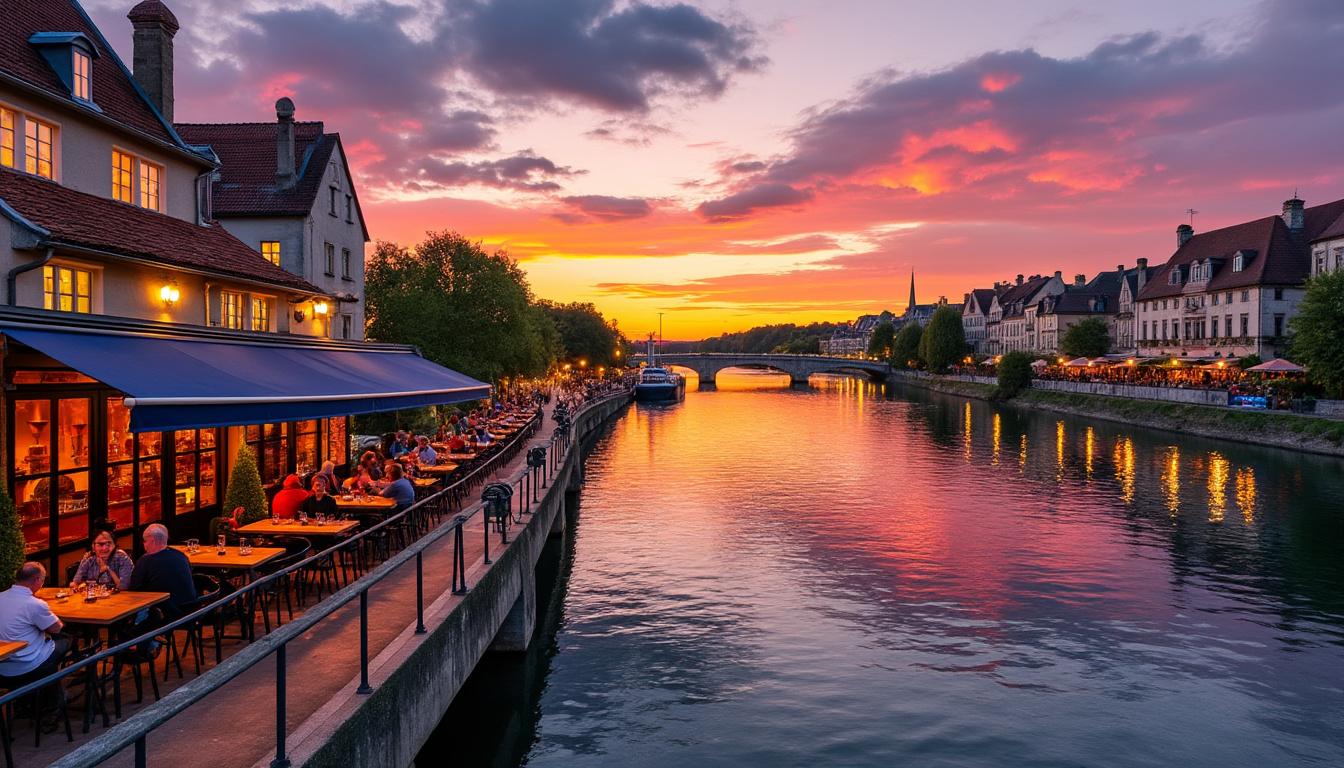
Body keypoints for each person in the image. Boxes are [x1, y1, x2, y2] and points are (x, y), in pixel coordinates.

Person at [0, 562, 66, 680]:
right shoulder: (35, 604)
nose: (42, 584)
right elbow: (56, 628)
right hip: (25, 664)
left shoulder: (1, 596)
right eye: (43, 580)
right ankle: (54, 689)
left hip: (3, 664)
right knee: (66, 639)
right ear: (36, 580)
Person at [128, 524, 197, 619]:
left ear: (152, 541)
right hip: (192, 610)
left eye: (144, 541)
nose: (144, 545)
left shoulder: (145, 561)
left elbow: (134, 591)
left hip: (165, 614)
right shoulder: (181, 556)